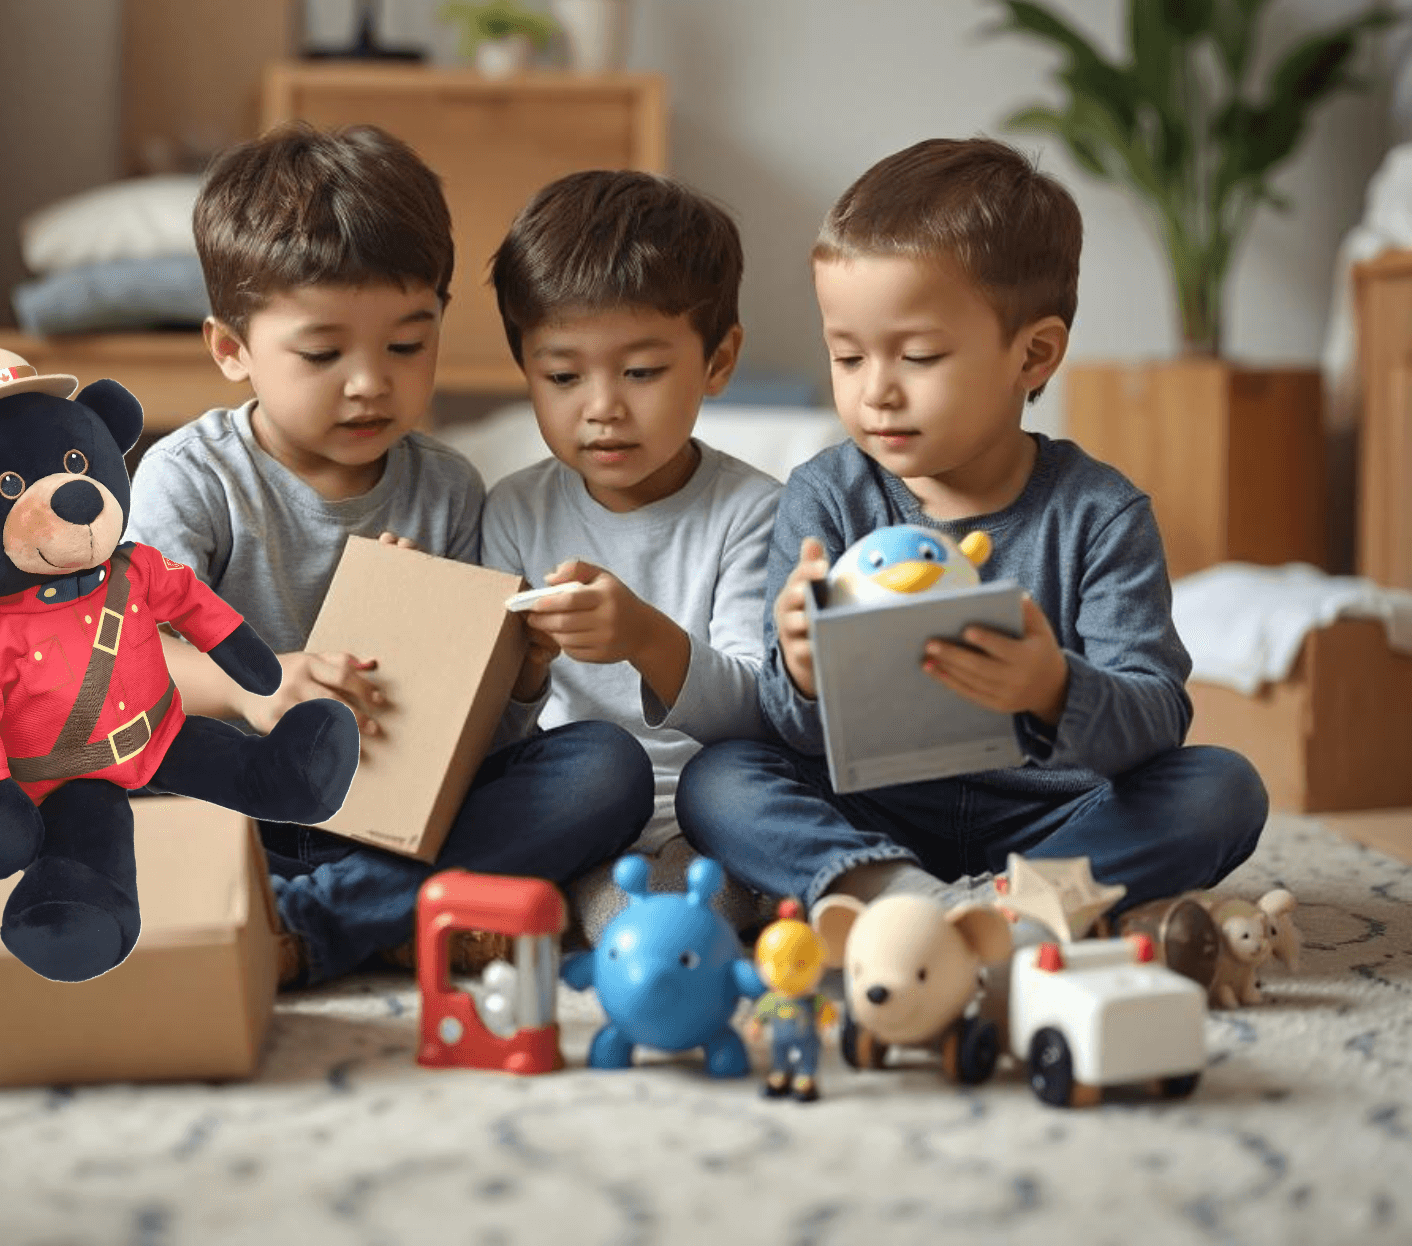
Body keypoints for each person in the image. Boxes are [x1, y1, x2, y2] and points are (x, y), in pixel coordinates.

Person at [675, 137, 1268, 926]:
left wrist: (1053, 689)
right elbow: (790, 728)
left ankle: (1017, 903)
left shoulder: (1100, 514)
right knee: (719, 778)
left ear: (1034, 355)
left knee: (1222, 788)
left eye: (917, 356)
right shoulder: (827, 493)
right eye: (847, 356)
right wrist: (803, 668)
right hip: (875, 813)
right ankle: (891, 893)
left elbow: (1157, 717)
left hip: (1052, 819)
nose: (876, 392)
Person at [126, 123, 652, 984]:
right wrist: (255, 686)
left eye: (407, 345)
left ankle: (320, 920)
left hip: (391, 816)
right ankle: (401, 910)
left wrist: (514, 672)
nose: (371, 381)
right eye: (324, 353)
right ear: (232, 350)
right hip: (232, 804)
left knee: (605, 767)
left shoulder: (446, 488)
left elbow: (471, 743)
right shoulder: (193, 476)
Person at [481, 171, 781, 937]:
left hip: (714, 812)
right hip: (579, 810)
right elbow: (493, 743)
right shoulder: (514, 510)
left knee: (737, 796)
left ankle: (685, 906)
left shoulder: (752, 511)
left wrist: (646, 638)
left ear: (717, 361)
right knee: (589, 775)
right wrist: (527, 672)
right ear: (526, 370)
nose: (603, 406)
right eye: (562, 375)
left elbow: (757, 715)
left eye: (642, 372)